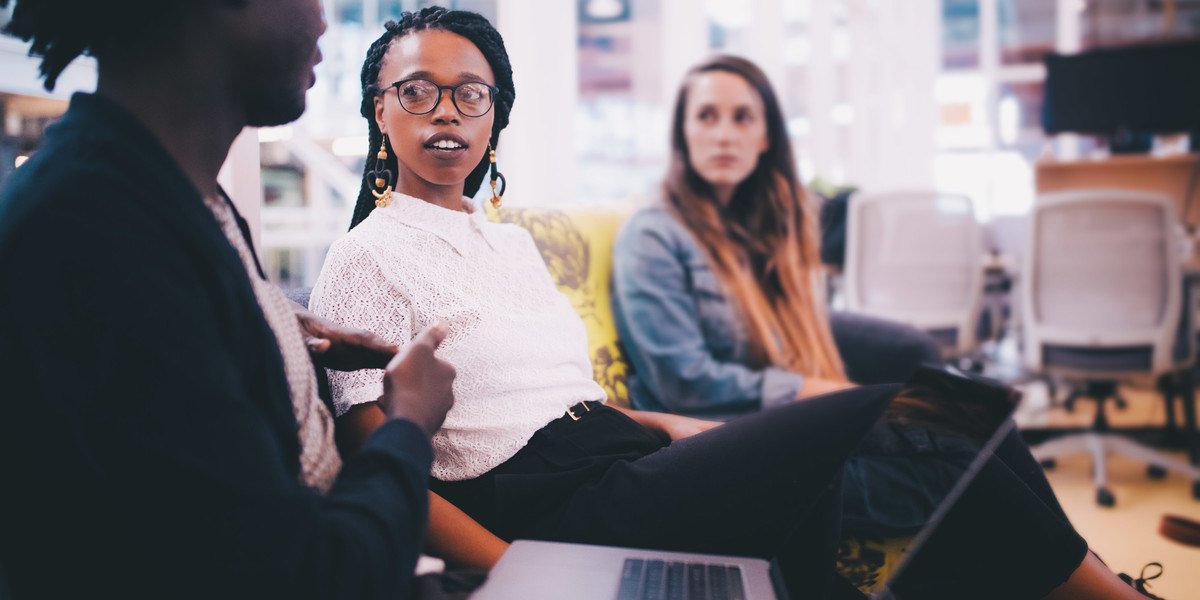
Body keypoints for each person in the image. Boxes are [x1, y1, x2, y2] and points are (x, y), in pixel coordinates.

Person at [308, 8, 914, 599]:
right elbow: (378, 461)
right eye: (417, 91)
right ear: (379, 109)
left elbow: (564, 398)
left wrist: (664, 423)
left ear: (493, 116)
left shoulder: (512, 243)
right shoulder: (364, 257)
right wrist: (518, 571)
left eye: (471, 94)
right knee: (830, 434)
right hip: (552, 504)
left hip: (620, 456)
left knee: (841, 470)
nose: (447, 110)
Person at [609, 54, 1158, 599]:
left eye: (742, 117)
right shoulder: (653, 236)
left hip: (777, 421)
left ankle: (1100, 578)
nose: (724, 134)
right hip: (722, 440)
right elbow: (685, 381)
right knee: (956, 451)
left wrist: (831, 393)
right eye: (706, 116)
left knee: (970, 406)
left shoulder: (757, 233)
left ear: (765, 137)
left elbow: (779, 336)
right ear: (683, 133)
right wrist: (821, 392)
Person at [0, 1, 456, 599]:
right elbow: (306, 575)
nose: (324, 20)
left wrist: (276, 331)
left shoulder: (165, 193)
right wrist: (410, 422)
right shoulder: (94, 236)